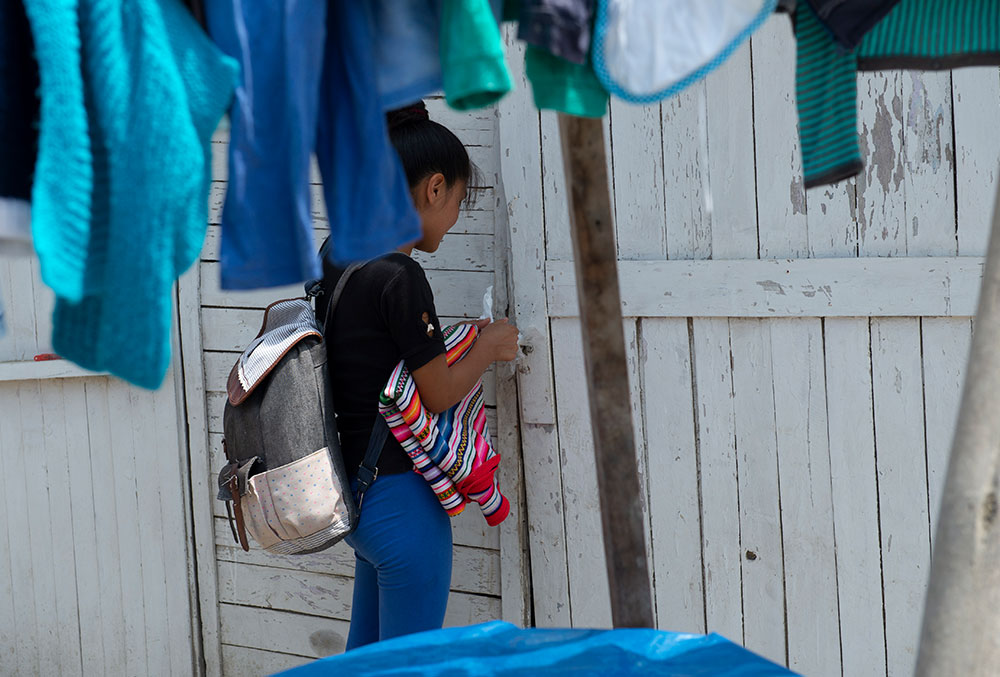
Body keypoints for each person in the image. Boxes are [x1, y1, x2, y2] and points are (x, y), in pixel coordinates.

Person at [320, 100, 520, 650]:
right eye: (456, 202)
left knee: (366, 661)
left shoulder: (338, 257)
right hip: (404, 506)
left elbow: (376, 362)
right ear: (434, 189)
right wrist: (488, 345)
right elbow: (435, 395)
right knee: (409, 665)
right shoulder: (401, 276)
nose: (454, 219)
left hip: (357, 501)